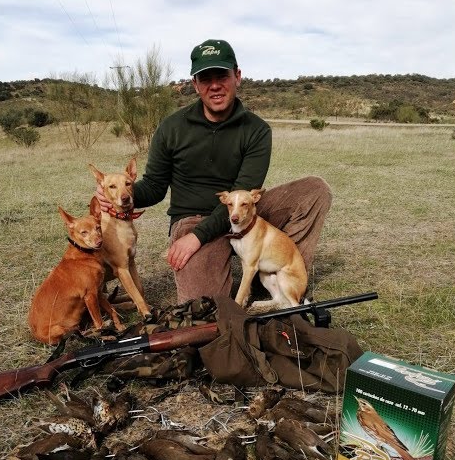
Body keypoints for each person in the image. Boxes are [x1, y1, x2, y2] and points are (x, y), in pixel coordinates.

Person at [97, 38, 332, 304]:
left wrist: (197, 238)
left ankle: (281, 281)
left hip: (240, 212)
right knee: (204, 305)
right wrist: (121, 194)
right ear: (195, 84)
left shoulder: (256, 130)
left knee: (314, 190)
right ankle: (244, 274)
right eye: (205, 78)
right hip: (192, 220)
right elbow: (154, 186)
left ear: (238, 76)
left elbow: (245, 187)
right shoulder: (171, 128)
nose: (215, 85)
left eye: (222, 75)